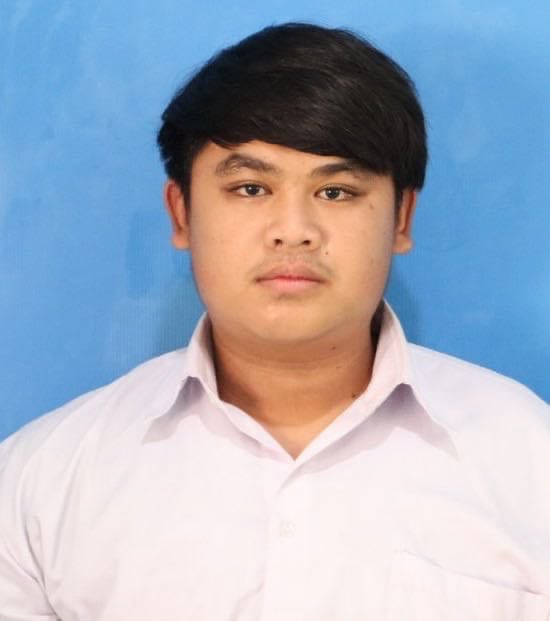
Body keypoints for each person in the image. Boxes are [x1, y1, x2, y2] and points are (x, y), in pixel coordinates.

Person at [0, 22, 548, 621]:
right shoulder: (40, 482)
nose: (293, 230)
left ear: (401, 218)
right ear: (181, 214)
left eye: (336, 192)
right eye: (250, 187)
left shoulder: (529, 460)